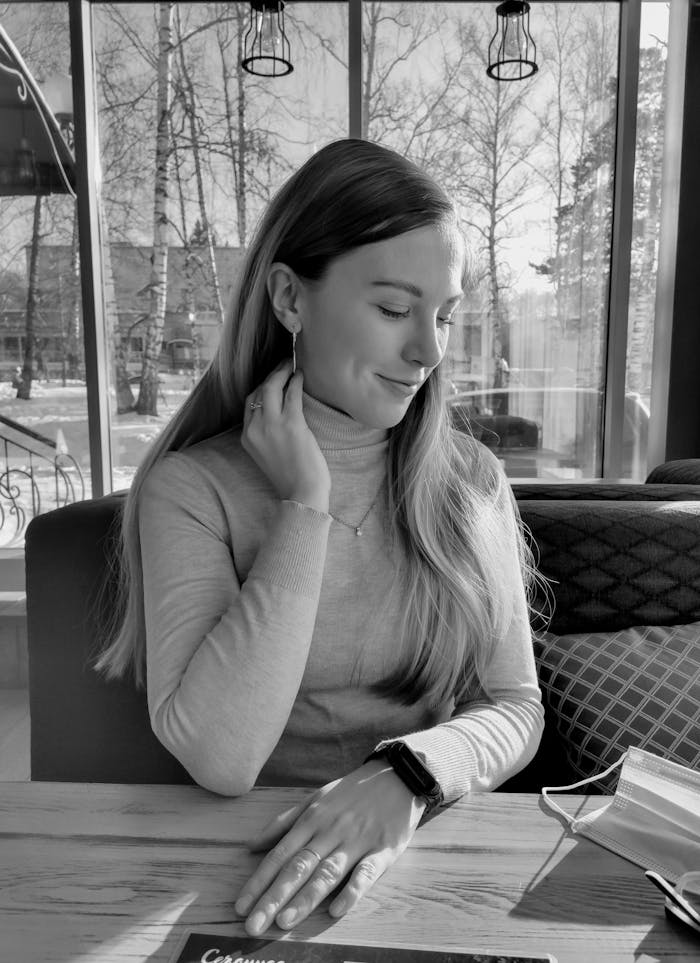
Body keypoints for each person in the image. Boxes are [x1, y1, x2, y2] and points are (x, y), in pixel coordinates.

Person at [96, 139, 544, 937]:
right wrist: (306, 506)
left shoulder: (471, 478)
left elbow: (512, 705)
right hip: (252, 875)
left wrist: (405, 776)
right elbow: (222, 758)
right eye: (394, 308)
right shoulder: (191, 490)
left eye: (444, 314)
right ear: (289, 298)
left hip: (429, 853)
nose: (430, 352)